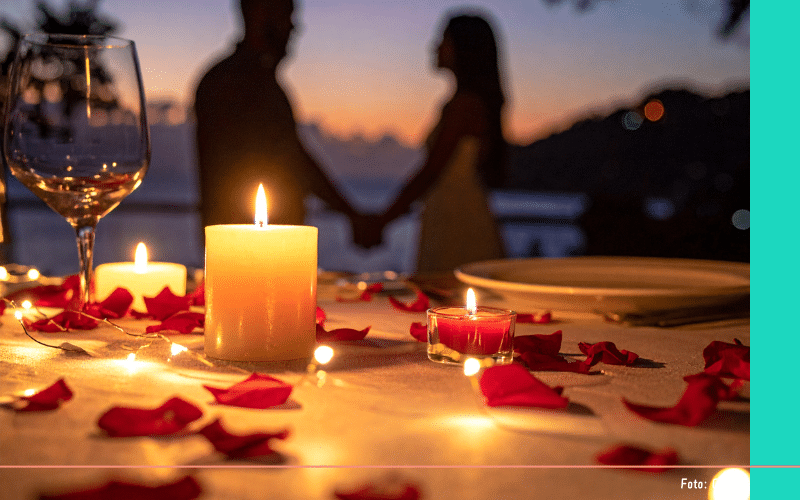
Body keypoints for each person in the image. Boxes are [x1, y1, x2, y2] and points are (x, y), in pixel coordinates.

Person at [194, 0, 364, 236]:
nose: (294, 27)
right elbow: (293, 160)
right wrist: (353, 215)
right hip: (248, 245)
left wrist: (351, 214)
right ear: (258, 14)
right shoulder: (233, 83)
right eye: (286, 15)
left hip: (248, 243)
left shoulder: (244, 81)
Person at [365, 11, 508, 272]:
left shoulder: (464, 105)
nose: (436, 46)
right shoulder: (468, 103)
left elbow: (431, 171)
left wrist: (383, 220)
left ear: (465, 48)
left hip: (457, 221)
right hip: (454, 214)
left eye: (444, 40)